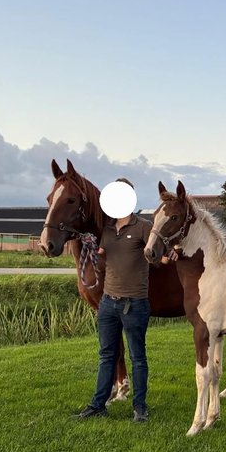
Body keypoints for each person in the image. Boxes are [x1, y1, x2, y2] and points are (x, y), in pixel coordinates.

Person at [76, 178, 152, 422]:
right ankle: (98, 405)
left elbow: (157, 254)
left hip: (134, 303)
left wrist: (168, 255)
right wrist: (89, 246)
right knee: (107, 355)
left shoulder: (144, 227)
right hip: (108, 303)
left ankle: (139, 407)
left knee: (137, 357)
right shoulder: (107, 231)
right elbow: (101, 257)